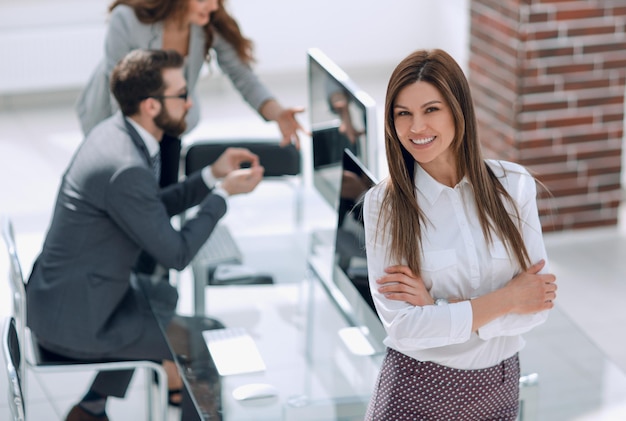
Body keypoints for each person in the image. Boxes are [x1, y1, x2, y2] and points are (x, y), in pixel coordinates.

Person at [26, 48, 264, 421]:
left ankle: (91, 408)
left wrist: (209, 176)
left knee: (161, 294)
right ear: (152, 106)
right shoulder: (125, 166)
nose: (189, 104)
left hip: (66, 294)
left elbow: (146, 207)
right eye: (182, 95)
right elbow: (178, 255)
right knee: (204, 339)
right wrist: (222, 195)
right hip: (76, 321)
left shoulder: (116, 133)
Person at [362, 49, 558, 420]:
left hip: (499, 387)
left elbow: (536, 305)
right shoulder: (384, 205)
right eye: (403, 114)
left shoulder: (514, 186)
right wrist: (507, 299)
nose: (416, 128)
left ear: (458, 110)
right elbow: (405, 329)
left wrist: (441, 309)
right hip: (417, 389)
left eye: (431, 110)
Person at [76, 0, 305, 188]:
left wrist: (277, 113)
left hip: (170, 119)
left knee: (163, 193)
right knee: (126, 189)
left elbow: (242, 76)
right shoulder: (126, 19)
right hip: (117, 115)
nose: (214, 6)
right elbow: (118, 92)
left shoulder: (207, 25)